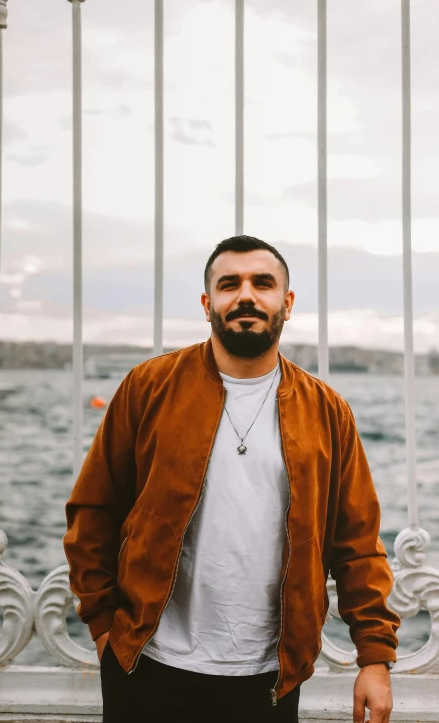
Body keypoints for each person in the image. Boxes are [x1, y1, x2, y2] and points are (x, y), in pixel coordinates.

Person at [64, 234, 400, 723]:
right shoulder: (149, 388)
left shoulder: (327, 413)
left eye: (263, 283)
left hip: (270, 676)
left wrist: (374, 657)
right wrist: (103, 630)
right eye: (229, 284)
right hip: (147, 665)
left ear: (286, 303)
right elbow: (93, 511)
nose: (246, 295)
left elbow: (358, 543)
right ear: (208, 304)